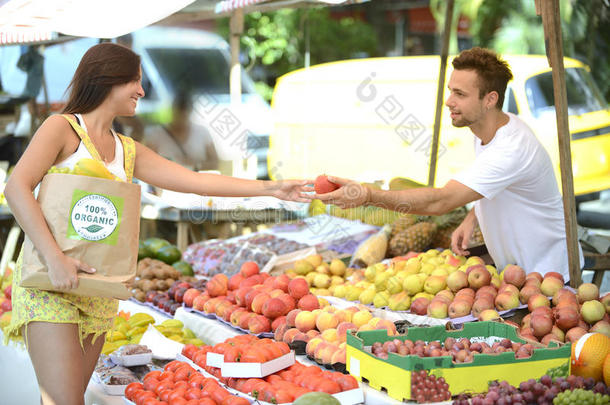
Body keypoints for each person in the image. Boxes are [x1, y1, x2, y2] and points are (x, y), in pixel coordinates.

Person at [3, 43, 310, 405]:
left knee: (65, 399)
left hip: (97, 290)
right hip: (51, 284)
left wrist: (272, 188)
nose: (142, 91)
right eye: (135, 81)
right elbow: (16, 187)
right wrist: (55, 259)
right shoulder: (61, 128)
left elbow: (195, 181)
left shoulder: (127, 150)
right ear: (107, 80)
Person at [314, 47, 582, 281]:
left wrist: (368, 195)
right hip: (520, 274)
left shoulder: (511, 147)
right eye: (450, 91)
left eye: (460, 94)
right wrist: (473, 216)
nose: (449, 101)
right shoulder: (489, 130)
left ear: (490, 99)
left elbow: (440, 202)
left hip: (551, 276)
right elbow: (498, 184)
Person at [142, 91, 219, 171]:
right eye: (179, 113)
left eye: (185, 114)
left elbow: (215, 162)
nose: (182, 118)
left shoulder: (202, 132)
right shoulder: (156, 134)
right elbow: (147, 164)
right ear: (173, 111)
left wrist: (195, 165)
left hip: (194, 181)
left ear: (190, 112)